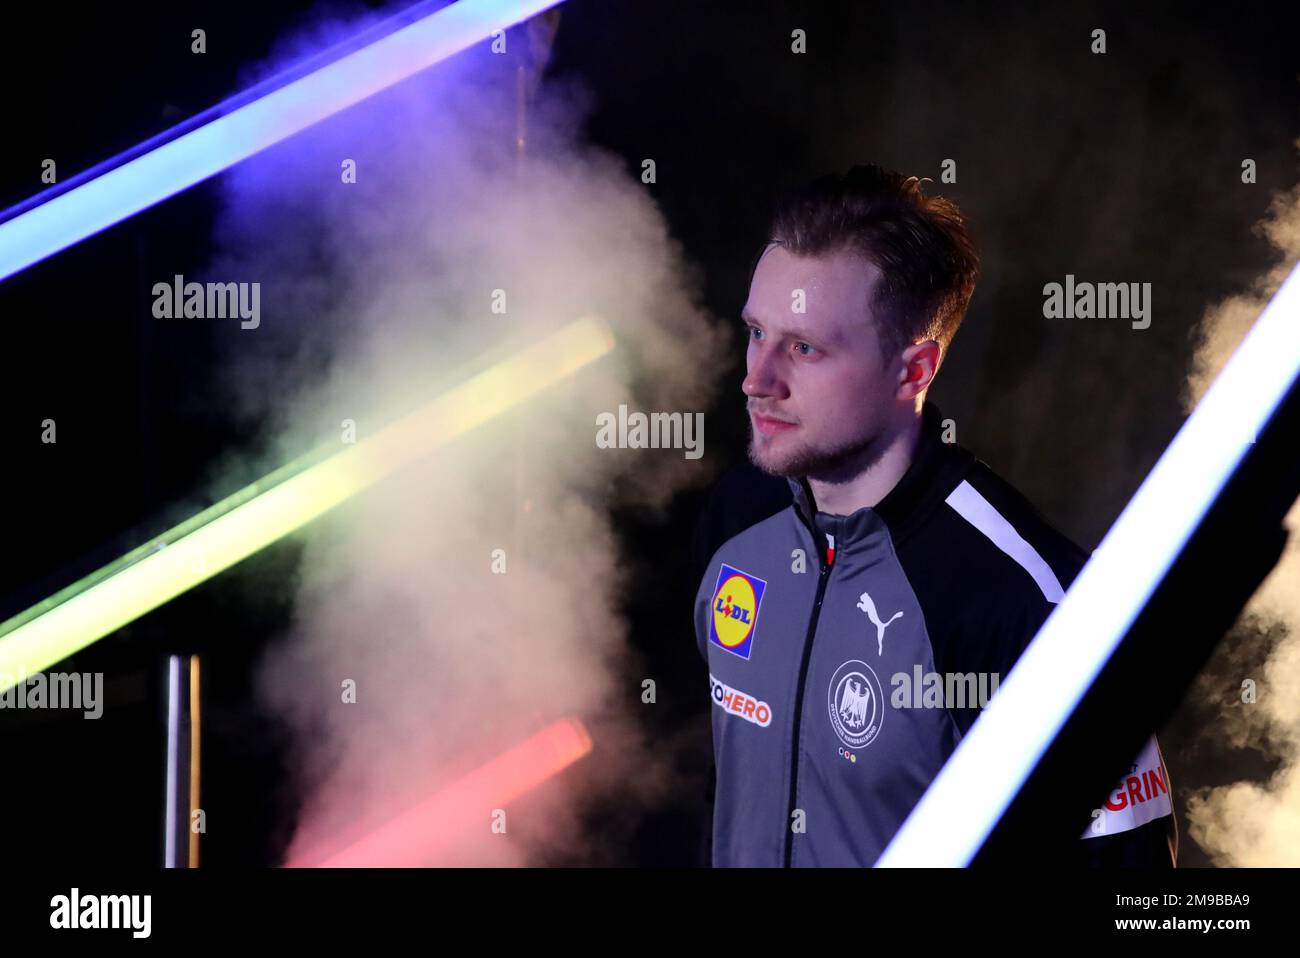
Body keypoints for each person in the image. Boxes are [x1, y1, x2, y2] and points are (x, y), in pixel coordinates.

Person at [690, 165, 1177, 867]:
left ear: (913, 372)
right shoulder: (737, 522)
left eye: (803, 347)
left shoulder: (1027, 603)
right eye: (756, 332)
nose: (756, 378)